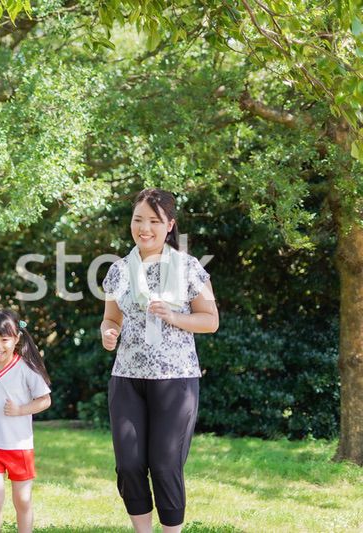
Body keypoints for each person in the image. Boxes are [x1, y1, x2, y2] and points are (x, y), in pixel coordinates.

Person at [100, 188, 219, 533]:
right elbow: (111, 319)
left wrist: (174, 316)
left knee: (165, 464)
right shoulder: (119, 270)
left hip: (176, 379)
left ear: (170, 225)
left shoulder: (188, 268)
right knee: (129, 465)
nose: (144, 228)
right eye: (138, 219)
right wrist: (108, 333)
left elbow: (210, 320)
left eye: (154, 220)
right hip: (127, 378)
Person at [0, 309, 52, 533]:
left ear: (16, 338)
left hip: (19, 445)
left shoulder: (26, 368)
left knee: (22, 500)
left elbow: (45, 400)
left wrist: (21, 409)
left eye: (4, 340)